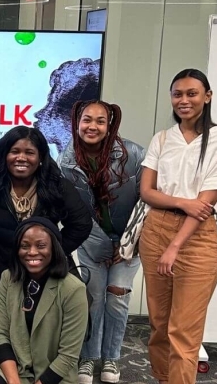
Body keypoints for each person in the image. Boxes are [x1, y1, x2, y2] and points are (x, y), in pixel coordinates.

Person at [138, 68, 217, 384]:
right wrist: (182, 201)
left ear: (207, 97)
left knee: (184, 331)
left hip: (196, 237)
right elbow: (146, 191)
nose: (184, 100)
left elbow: (204, 205)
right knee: (159, 325)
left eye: (192, 93)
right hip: (156, 230)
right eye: (177, 94)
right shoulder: (163, 138)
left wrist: (176, 246)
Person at [0, 126, 92, 349]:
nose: (21, 157)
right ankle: (4, 368)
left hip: (44, 265)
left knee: (46, 316)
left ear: (40, 157)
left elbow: (81, 223)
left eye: (29, 152)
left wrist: (51, 254)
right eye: (15, 151)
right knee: (2, 319)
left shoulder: (55, 184)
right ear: (4, 155)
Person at [57, 100, 145, 384]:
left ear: (110, 125)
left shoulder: (133, 154)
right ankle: (89, 357)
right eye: (86, 120)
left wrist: (127, 244)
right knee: (93, 300)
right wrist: (99, 244)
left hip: (130, 242)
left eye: (99, 121)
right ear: (77, 122)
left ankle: (112, 357)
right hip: (92, 241)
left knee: (117, 299)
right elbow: (73, 210)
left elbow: (147, 202)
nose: (92, 126)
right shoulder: (66, 160)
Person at [0, 217, 89, 384]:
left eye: (41, 245)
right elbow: (0, 336)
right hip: (15, 367)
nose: (32, 252)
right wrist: (13, 381)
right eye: (24, 246)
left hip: (54, 374)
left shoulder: (73, 289)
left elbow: (68, 356)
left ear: (54, 248)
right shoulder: (8, 278)